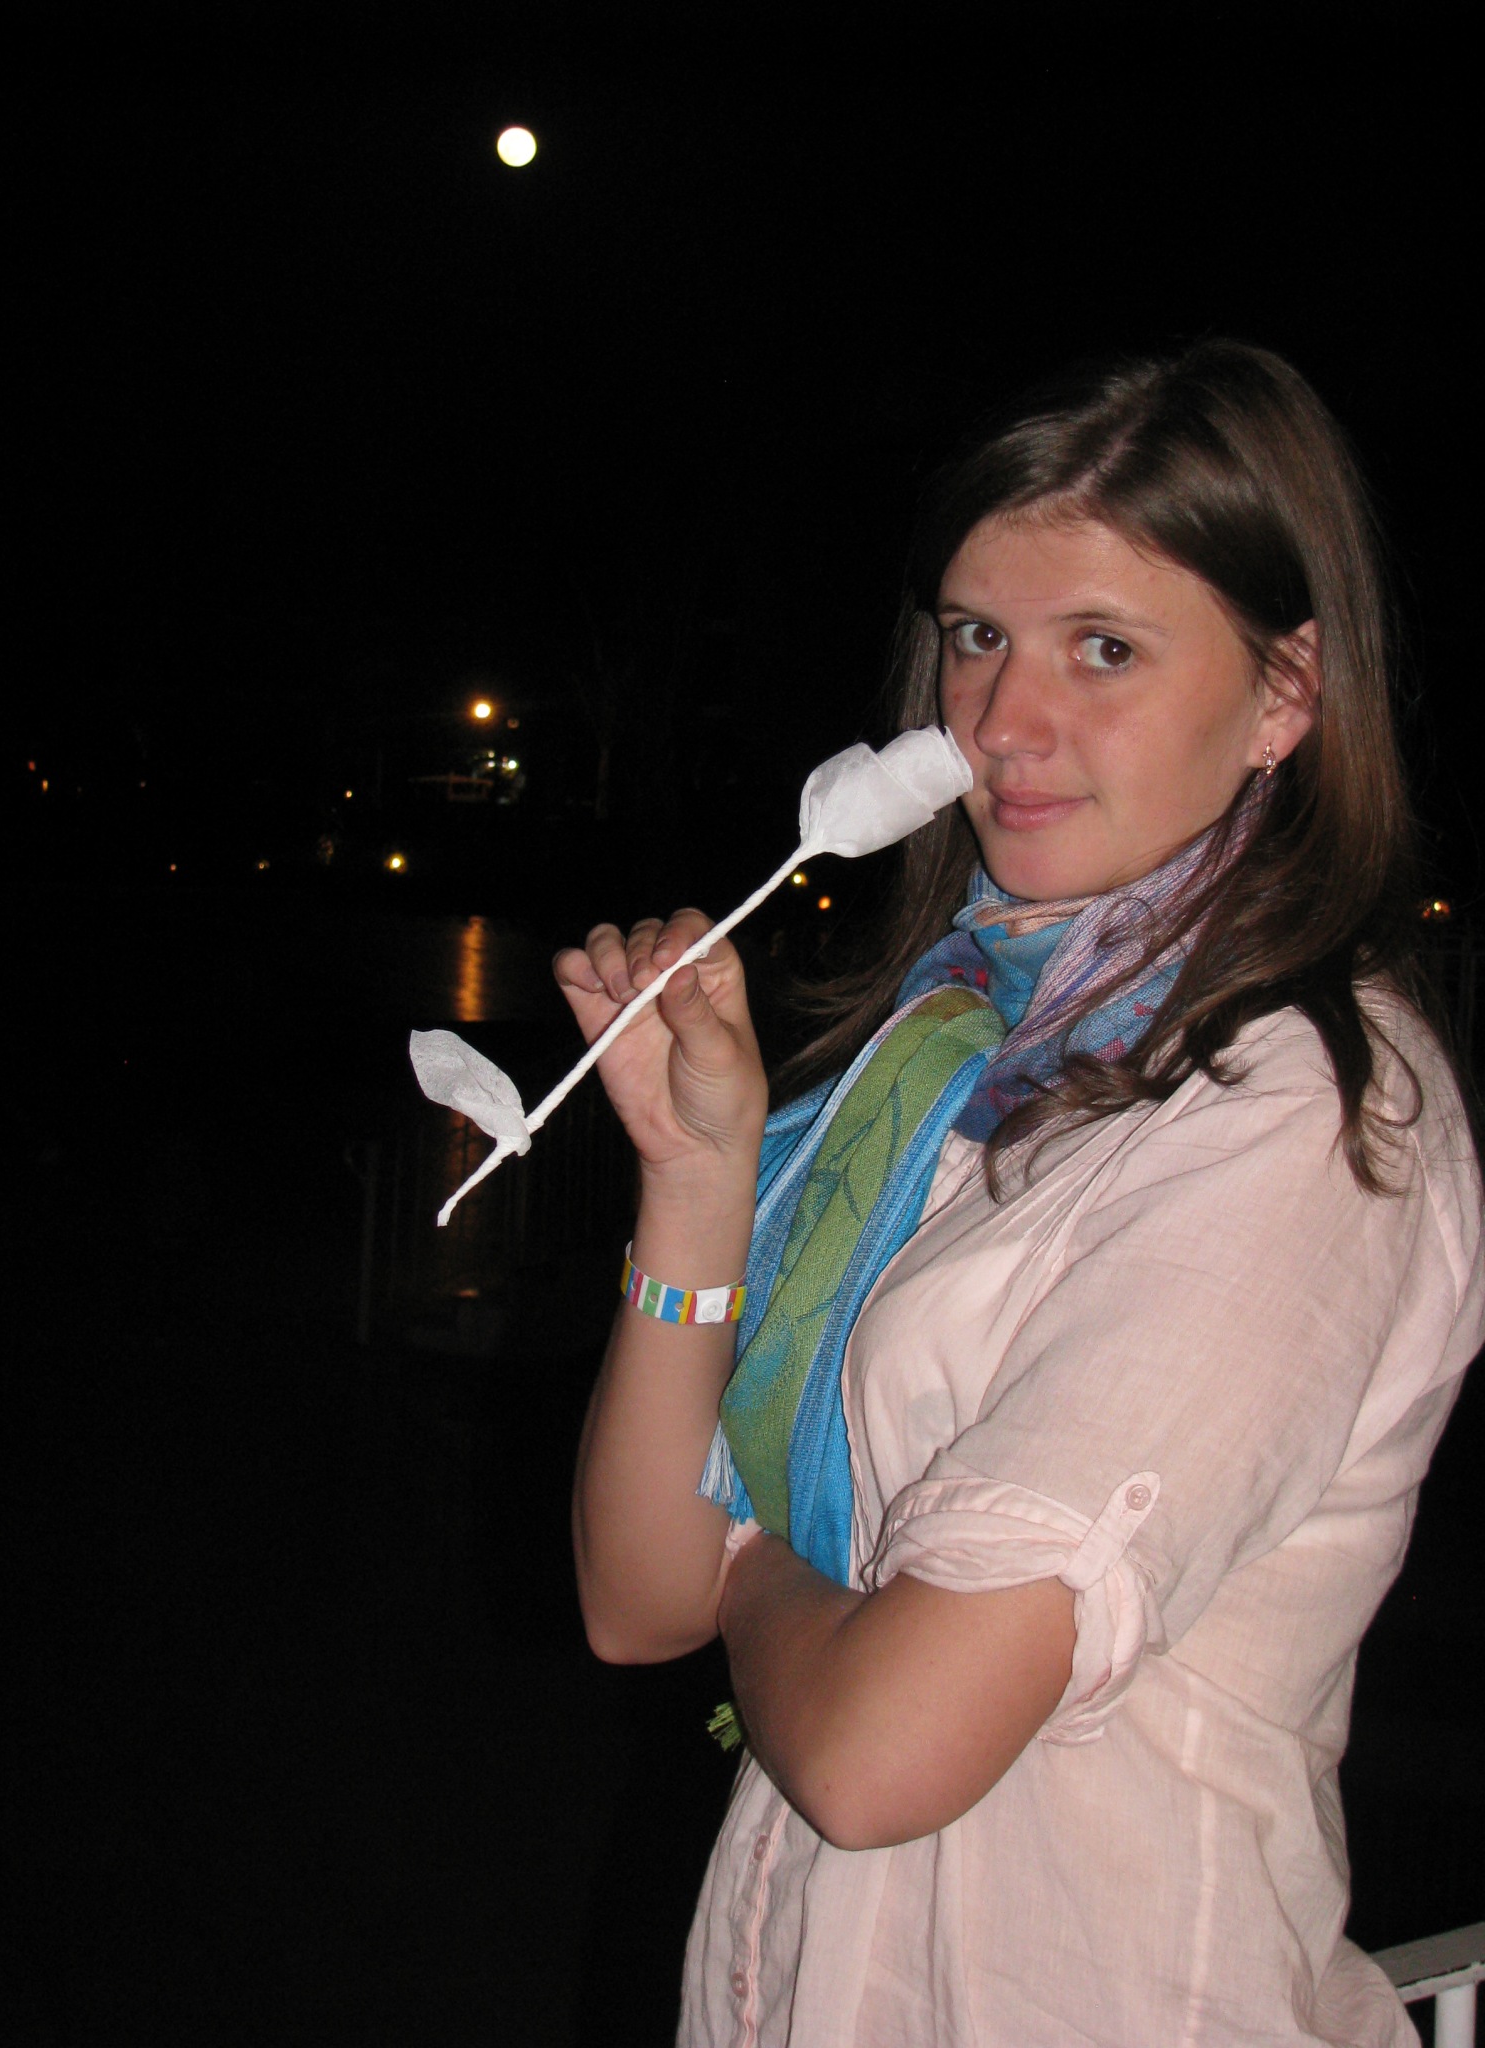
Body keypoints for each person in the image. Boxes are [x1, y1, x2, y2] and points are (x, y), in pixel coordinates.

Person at [558, 342, 1483, 2047]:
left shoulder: (1294, 1112)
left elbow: (872, 1750)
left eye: (1104, 648)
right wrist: (698, 1183)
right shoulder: (953, 1055)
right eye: (977, 636)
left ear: (1284, 695)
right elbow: (635, 1596)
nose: (1001, 725)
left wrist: (761, 1572)